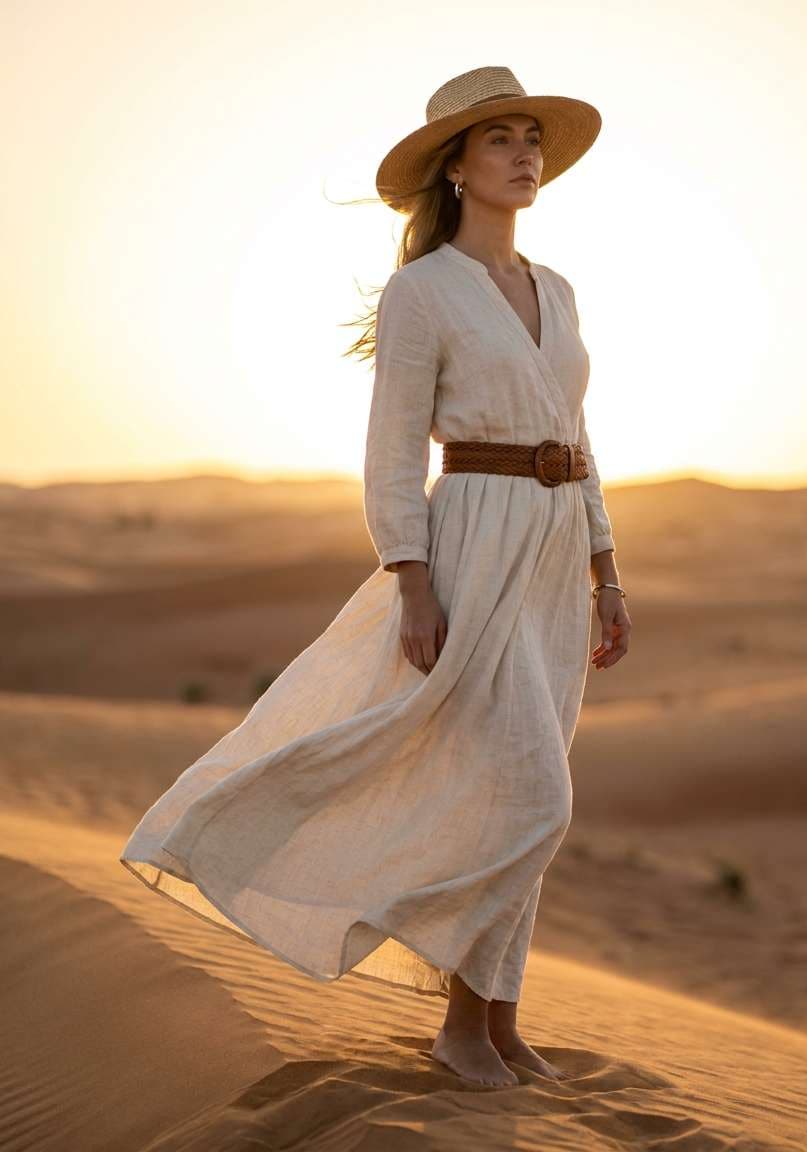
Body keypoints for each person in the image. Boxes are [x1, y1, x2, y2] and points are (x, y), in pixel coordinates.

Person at [119, 65, 632, 1090]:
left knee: (512, 790)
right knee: (535, 795)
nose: (524, 153)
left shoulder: (558, 289)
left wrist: (605, 568)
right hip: (471, 538)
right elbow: (393, 451)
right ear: (454, 166)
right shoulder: (421, 291)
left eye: (531, 137)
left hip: (550, 552)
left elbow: (577, 437)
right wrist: (410, 575)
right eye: (499, 140)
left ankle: (492, 1022)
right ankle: (444, 1009)